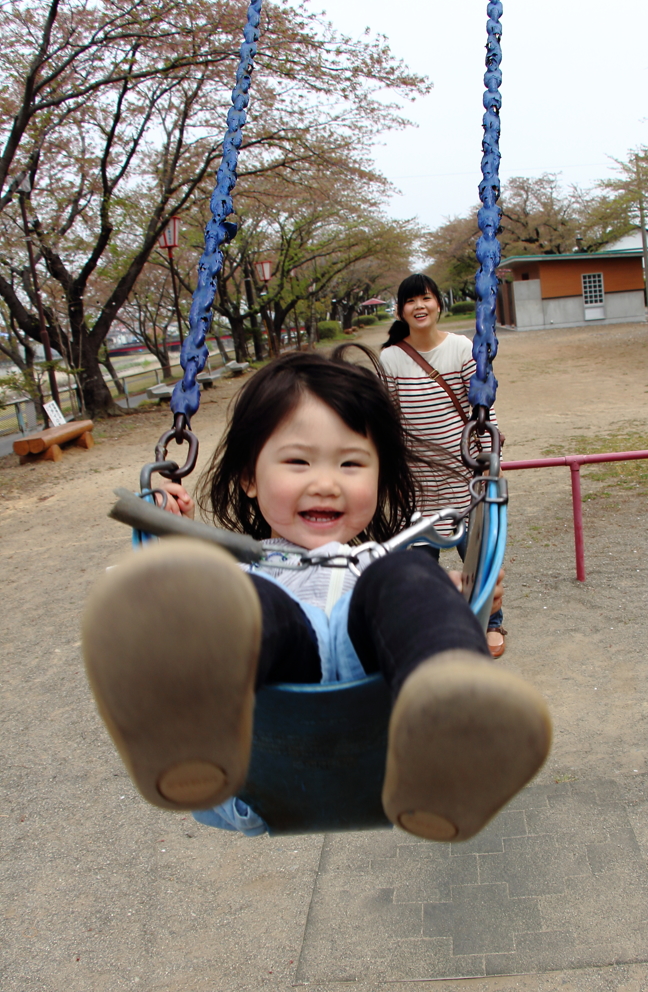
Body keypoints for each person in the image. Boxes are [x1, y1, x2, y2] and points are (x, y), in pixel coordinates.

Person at [81, 352, 550, 843]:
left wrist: (456, 602)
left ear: (379, 476)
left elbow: (422, 602)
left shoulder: (384, 569)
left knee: (412, 572)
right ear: (248, 476)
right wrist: (174, 545)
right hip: (259, 763)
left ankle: (454, 723)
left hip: (391, 749)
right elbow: (147, 603)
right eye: (298, 461)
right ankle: (186, 729)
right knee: (224, 599)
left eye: (351, 463)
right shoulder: (240, 574)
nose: (325, 483)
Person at [380, 273, 507, 657]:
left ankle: (490, 623)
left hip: (464, 473)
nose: (419, 306)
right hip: (417, 479)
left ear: (438, 304)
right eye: (410, 301)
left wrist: (490, 461)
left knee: (478, 553)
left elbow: (483, 409)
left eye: (426, 298)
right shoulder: (390, 358)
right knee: (420, 563)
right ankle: (429, 627)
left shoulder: (461, 348)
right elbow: (388, 420)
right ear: (401, 311)